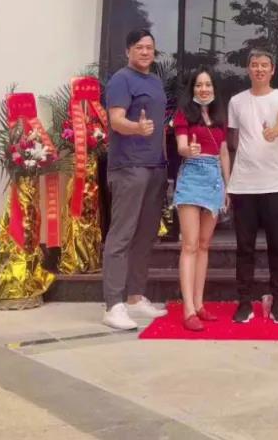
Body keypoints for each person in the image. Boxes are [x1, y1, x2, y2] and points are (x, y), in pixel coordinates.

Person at [101, 28, 169, 331]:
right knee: (122, 235)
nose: (145, 52)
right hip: (129, 167)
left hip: (155, 167)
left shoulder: (154, 81)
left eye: (149, 48)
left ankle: (134, 298)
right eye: (139, 47)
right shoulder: (121, 80)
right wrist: (137, 128)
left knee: (145, 235)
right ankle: (113, 305)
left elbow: (160, 126)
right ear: (128, 51)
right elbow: (116, 121)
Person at [227, 49, 278, 324]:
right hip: (243, 185)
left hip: (275, 184)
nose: (259, 69)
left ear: (272, 70)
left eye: (264, 65)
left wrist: (275, 131)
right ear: (248, 69)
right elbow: (232, 142)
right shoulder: (236, 101)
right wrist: (228, 182)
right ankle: (244, 302)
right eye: (254, 65)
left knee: (277, 247)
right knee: (244, 248)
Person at [173, 68, 231, 332]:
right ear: (192, 89)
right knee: (190, 245)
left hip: (215, 178)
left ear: (214, 89)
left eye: (208, 85)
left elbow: (224, 152)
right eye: (199, 85)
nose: (204, 89)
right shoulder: (184, 113)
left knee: (205, 245)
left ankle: (199, 304)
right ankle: (187, 309)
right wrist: (190, 150)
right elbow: (181, 147)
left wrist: (228, 186)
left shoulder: (219, 116)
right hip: (192, 176)